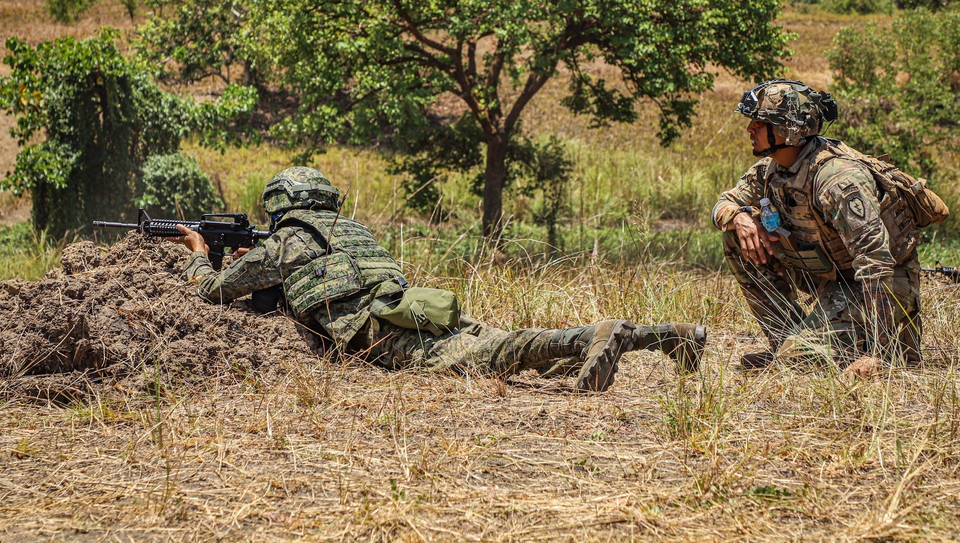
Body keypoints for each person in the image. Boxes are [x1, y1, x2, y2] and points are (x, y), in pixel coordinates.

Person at [172, 166, 707, 392]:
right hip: (414, 304)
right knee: (527, 355)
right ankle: (669, 336)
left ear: (280, 206)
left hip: (379, 329)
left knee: (498, 357)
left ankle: (597, 333)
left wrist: (200, 252)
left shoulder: (287, 240)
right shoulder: (348, 228)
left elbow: (211, 292)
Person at [713, 80, 924, 377]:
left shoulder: (837, 179)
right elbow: (724, 203)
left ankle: (869, 349)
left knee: (797, 361)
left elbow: (875, 260)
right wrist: (740, 218)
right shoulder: (772, 169)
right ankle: (786, 341)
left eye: (760, 123)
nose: (749, 129)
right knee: (735, 234)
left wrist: (877, 352)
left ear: (789, 129)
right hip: (833, 280)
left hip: (884, 288)